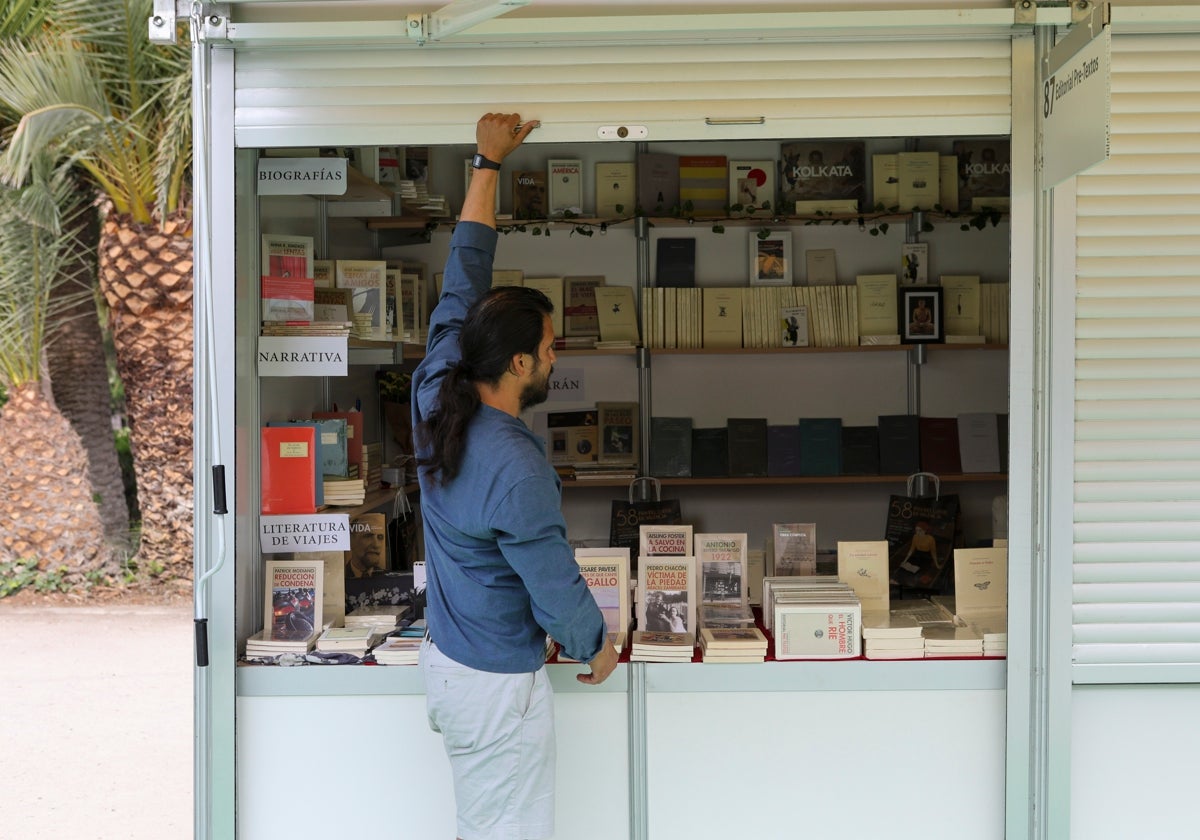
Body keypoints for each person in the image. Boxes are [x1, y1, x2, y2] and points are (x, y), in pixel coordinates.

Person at [413, 112, 618, 840]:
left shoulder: (436, 386)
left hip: (448, 664)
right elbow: (550, 575)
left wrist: (487, 163)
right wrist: (596, 643)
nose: (558, 359)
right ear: (521, 364)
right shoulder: (515, 462)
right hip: (497, 687)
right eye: (551, 347)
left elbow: (463, 271)